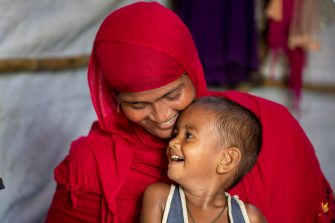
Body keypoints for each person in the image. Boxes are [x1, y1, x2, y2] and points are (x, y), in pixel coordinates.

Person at [45, 1, 334, 223]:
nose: (160, 117)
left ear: (192, 70)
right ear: (115, 100)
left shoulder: (267, 126)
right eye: (138, 104)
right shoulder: (91, 166)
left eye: (172, 94)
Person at [141, 96, 267, 223]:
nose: (172, 142)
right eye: (175, 134)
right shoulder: (160, 197)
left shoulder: (251, 217)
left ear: (226, 160)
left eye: (188, 135)